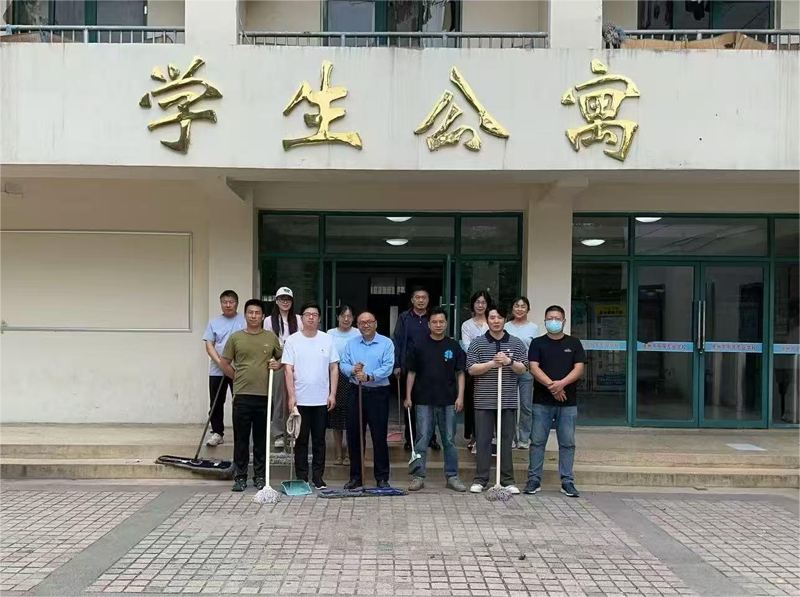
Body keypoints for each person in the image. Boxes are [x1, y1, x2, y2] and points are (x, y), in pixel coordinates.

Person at [219, 299, 282, 492]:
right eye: (250, 312)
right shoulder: (236, 338)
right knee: (241, 439)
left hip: (264, 396)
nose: (254, 316)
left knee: (261, 440)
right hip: (242, 396)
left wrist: (277, 365)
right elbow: (224, 363)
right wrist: (236, 377)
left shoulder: (270, 337)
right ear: (245, 315)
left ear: (263, 316)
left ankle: (260, 477)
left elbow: (281, 358)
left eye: (257, 313)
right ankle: (240, 477)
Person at [466, 306, 528, 495]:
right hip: (483, 400)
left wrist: (509, 362)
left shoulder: (516, 343)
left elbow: (523, 368)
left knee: (506, 441)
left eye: (500, 318)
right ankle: (480, 479)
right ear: (487, 320)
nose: (496, 321)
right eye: (492, 318)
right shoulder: (477, 343)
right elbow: (471, 369)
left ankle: (507, 480)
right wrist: (492, 363)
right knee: (483, 441)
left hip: (507, 400)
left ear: (504, 320)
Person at [405, 306, 467, 492]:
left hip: (448, 400)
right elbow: (411, 372)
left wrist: (460, 396)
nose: (438, 325)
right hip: (423, 400)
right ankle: (418, 476)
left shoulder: (453, 346)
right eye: (434, 322)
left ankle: (452, 476)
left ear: (446, 324)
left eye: (441, 322)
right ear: (429, 324)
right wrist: (408, 396)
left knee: (449, 440)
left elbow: (460, 373)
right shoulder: (419, 345)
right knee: (422, 439)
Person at [527, 305, 586, 498]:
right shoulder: (537, 343)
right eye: (550, 318)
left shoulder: (574, 343)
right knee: (537, 442)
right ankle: (534, 479)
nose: (554, 321)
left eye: (557, 318)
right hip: (541, 401)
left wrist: (561, 384)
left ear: (564, 321)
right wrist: (553, 386)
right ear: (545, 321)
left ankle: (567, 481)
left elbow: (578, 368)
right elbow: (534, 368)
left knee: (567, 443)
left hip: (568, 403)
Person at [283, 301, 339, 490]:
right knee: (300, 440)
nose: (311, 318)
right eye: (307, 314)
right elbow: (288, 370)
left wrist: (332, 394)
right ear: (302, 318)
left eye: (315, 315)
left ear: (319, 319)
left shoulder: (327, 339)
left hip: (321, 399)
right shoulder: (293, 340)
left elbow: (334, 367)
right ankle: (302, 477)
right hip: (300, 399)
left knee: (319, 440)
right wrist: (291, 396)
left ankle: (318, 477)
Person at [339, 311, 395, 489]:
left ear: (376, 323)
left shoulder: (386, 343)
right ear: (358, 325)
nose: (366, 325)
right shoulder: (351, 343)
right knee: (355, 435)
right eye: (362, 322)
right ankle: (356, 476)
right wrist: (353, 370)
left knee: (379, 436)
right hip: (356, 392)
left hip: (378, 393)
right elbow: (343, 364)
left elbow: (388, 366)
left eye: (369, 321)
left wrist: (370, 376)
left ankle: (382, 477)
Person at [393, 286, 439, 451]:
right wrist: (397, 364)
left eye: (424, 297)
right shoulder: (404, 317)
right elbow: (397, 341)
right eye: (417, 297)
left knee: (431, 403)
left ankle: (431, 437)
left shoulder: (432, 317)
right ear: (412, 300)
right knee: (409, 403)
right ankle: (410, 438)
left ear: (428, 300)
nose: (420, 300)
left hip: (430, 366)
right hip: (409, 365)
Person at [201, 290, 246, 447]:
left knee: (239, 402)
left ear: (236, 303)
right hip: (218, 369)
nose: (228, 305)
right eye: (224, 302)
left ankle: (241, 433)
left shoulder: (244, 321)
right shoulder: (214, 323)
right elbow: (209, 345)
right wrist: (221, 363)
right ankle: (217, 432)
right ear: (221, 304)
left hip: (238, 369)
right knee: (216, 401)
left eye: (231, 302)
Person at [264, 286, 303, 449]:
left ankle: (292, 433)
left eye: (288, 299)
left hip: (297, 363)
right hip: (278, 363)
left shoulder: (299, 319)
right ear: (276, 301)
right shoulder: (268, 320)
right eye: (282, 299)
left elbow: (301, 342)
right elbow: (267, 344)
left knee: (295, 398)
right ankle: (279, 433)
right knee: (279, 398)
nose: (285, 302)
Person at [504, 297, 540, 450]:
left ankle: (524, 438)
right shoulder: (505, 326)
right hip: (508, 369)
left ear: (528, 310)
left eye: (523, 306)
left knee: (526, 405)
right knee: (510, 405)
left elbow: (536, 349)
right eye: (516, 306)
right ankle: (511, 438)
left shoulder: (533, 327)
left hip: (526, 369)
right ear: (512, 309)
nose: (519, 309)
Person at [327, 304, 361, 465]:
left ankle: (349, 453)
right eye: (343, 316)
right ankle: (338, 453)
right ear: (337, 317)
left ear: (353, 318)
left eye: (349, 316)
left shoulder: (358, 333)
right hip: (336, 376)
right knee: (337, 417)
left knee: (352, 416)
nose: (346, 319)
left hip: (353, 375)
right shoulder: (330, 334)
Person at [460, 290, 492, 451]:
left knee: (490, 403)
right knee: (472, 402)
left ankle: (489, 436)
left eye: (483, 302)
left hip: (493, 369)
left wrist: (489, 362)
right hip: (473, 368)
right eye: (477, 302)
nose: (480, 305)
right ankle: (474, 435)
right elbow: (467, 347)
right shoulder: (466, 325)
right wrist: (482, 360)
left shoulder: (492, 321)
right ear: (473, 304)